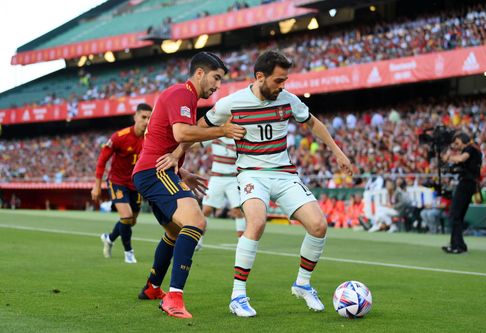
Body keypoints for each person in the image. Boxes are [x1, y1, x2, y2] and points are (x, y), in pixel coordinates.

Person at [169, 50, 353, 317]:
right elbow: (198, 127)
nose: (283, 86)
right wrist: (176, 155)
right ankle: (238, 296)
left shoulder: (288, 100)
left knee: (319, 225)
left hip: (285, 174)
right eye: (278, 80)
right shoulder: (231, 103)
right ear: (260, 77)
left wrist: (338, 151)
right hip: (251, 173)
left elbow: (313, 123)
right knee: (256, 222)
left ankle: (302, 284)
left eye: (285, 80)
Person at [132, 52, 246, 318]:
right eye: (215, 78)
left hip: (154, 170)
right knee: (196, 222)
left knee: (174, 232)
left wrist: (182, 171)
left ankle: (152, 287)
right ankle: (174, 298)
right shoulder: (182, 94)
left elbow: (163, 141)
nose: (217, 86)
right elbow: (181, 133)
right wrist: (223, 130)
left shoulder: (185, 98)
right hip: (153, 172)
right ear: (199, 73)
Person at [91, 103, 152, 263]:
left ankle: (109, 238)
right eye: (143, 117)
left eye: (149, 118)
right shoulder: (120, 136)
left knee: (131, 221)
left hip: (136, 184)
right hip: (117, 181)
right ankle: (129, 253)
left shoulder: (151, 138)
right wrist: (97, 184)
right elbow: (102, 159)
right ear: (135, 117)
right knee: (126, 216)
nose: (146, 121)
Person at [196, 137, 246, 250]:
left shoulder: (238, 138)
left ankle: (242, 244)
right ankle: (198, 241)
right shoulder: (215, 135)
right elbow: (198, 143)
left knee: (238, 211)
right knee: (206, 210)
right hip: (216, 178)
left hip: (233, 179)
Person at [441, 132, 482, 254]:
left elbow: (461, 159)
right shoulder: (474, 150)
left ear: (464, 140)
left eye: (458, 143)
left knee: (455, 215)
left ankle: (457, 246)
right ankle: (458, 244)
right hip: (469, 184)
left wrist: (449, 157)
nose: (456, 146)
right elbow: (460, 165)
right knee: (457, 216)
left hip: (466, 184)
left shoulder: (471, 149)